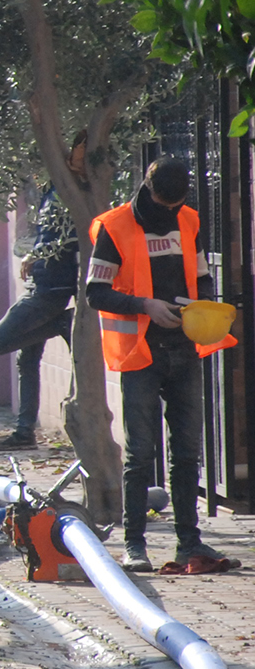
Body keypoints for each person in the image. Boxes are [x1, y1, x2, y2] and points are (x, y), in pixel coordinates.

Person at [87, 155, 240, 575]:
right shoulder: (114, 227)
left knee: (188, 452)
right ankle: (134, 544)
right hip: (141, 352)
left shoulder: (188, 221)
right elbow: (95, 293)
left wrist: (202, 304)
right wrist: (145, 306)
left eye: (176, 205)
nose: (169, 212)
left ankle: (189, 542)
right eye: (163, 204)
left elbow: (202, 274)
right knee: (140, 453)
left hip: (184, 349)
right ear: (149, 190)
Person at [0, 133, 87, 450]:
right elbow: (51, 236)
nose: (76, 157)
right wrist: (34, 254)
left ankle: (60, 323)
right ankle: (24, 432)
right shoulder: (55, 188)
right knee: (27, 359)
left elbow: (76, 239)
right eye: (74, 151)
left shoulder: (81, 191)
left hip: (52, 288)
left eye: (82, 151)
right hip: (40, 280)